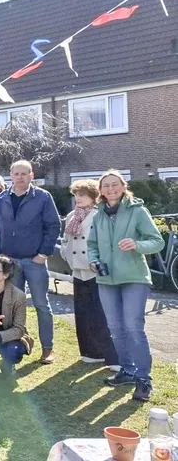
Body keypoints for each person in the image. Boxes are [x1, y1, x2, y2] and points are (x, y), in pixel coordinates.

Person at [88, 170, 164, 402]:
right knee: (116, 328)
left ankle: (143, 379)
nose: (110, 189)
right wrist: (93, 260)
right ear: (100, 191)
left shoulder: (138, 211)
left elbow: (157, 241)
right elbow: (92, 244)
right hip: (106, 279)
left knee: (133, 327)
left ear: (123, 186)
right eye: (106, 186)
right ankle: (127, 370)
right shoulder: (98, 215)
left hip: (134, 278)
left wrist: (137, 244)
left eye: (114, 185)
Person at [0, 160, 60, 364]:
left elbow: (53, 226)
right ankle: (17, 343)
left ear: (31, 175)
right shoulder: (2, 198)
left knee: (41, 305)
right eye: (16, 173)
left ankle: (48, 348)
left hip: (34, 261)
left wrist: (43, 254)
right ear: (10, 175)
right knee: (13, 307)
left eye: (24, 173)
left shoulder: (43, 197)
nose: (20, 177)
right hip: (10, 262)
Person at [60, 179, 119, 371]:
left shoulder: (99, 215)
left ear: (93, 197)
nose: (78, 198)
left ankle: (109, 354)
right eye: (76, 194)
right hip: (78, 270)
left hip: (95, 270)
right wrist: (66, 254)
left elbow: (106, 241)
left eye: (82, 195)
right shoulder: (71, 216)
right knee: (82, 313)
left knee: (101, 313)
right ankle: (89, 352)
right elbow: (66, 240)